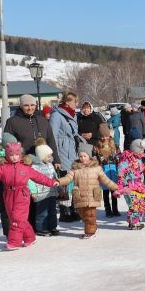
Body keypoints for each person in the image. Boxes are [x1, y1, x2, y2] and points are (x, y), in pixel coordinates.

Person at [0, 141, 56, 250]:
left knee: (17, 219)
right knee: (17, 219)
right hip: (8, 195)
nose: (14, 157)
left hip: (22, 194)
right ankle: (30, 238)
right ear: (7, 155)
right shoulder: (3, 168)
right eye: (11, 155)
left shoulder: (25, 167)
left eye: (16, 155)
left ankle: (14, 242)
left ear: (20, 155)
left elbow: (39, 177)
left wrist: (51, 182)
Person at [56, 143, 120, 238]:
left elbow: (106, 180)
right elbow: (68, 178)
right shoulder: (75, 169)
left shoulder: (96, 168)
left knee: (90, 215)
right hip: (80, 196)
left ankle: (90, 232)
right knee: (83, 215)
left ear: (89, 156)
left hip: (92, 196)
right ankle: (92, 226)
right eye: (81, 156)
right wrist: (58, 181)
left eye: (85, 156)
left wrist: (116, 187)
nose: (83, 158)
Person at [49, 92, 81, 221]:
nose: (77, 104)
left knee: (72, 180)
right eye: (75, 102)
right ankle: (64, 211)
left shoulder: (71, 114)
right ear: (67, 102)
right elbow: (53, 136)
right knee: (64, 180)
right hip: (62, 151)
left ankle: (72, 209)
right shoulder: (57, 115)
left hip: (71, 150)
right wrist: (55, 156)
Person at [117, 139, 145, 230]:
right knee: (134, 205)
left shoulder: (138, 159)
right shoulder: (126, 159)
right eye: (141, 149)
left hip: (139, 186)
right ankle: (134, 223)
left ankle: (135, 221)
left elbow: (141, 169)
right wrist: (121, 185)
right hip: (129, 186)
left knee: (141, 204)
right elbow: (121, 171)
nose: (142, 151)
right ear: (136, 149)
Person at [29, 144, 60, 237]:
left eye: (51, 156)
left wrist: (59, 188)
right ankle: (41, 228)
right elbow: (30, 180)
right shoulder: (34, 167)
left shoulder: (50, 165)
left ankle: (52, 226)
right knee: (42, 212)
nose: (51, 158)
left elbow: (55, 177)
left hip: (51, 192)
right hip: (41, 193)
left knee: (52, 211)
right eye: (48, 156)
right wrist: (33, 191)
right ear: (42, 156)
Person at [96, 130, 121, 218]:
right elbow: (96, 159)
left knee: (114, 190)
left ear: (109, 136)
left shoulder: (114, 145)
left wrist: (118, 158)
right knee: (106, 191)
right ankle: (108, 210)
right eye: (102, 136)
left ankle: (115, 209)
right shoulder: (98, 146)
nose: (104, 138)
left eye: (106, 136)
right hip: (104, 170)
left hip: (113, 169)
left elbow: (119, 155)